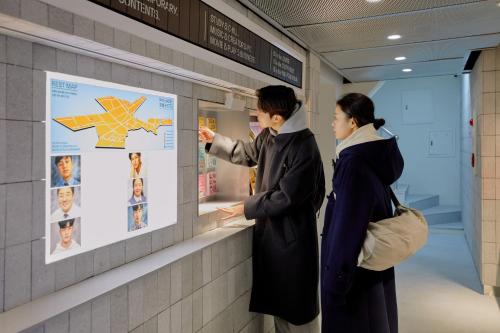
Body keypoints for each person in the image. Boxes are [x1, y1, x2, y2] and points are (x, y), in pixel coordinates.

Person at [199, 85, 325, 332]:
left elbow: (287, 197)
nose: (257, 115)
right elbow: (248, 153)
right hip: (275, 236)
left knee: (298, 312)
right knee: (281, 306)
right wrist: (215, 140)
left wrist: (246, 206)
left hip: (295, 239)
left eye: (259, 111)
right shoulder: (270, 134)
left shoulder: (304, 145)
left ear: (276, 117)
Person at [321, 93, 404, 333]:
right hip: (373, 264)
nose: (332, 123)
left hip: (355, 271)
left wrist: (335, 282)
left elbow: (348, 227)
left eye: (336, 118)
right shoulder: (374, 154)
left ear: (353, 122)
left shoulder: (353, 162)